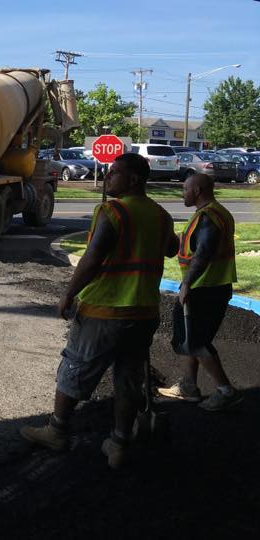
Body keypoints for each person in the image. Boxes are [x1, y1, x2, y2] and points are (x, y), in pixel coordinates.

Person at [20, 153, 178, 469]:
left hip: (105, 310)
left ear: (133, 179)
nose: (107, 177)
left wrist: (68, 294)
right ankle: (119, 443)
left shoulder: (112, 212)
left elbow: (92, 259)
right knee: (129, 378)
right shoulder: (160, 215)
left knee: (76, 368)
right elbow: (172, 249)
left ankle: (58, 431)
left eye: (114, 172)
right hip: (144, 313)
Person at [157, 173, 241, 410]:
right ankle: (188, 387)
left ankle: (226, 391)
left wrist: (187, 284)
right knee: (188, 337)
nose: (182, 193)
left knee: (197, 340)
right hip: (209, 286)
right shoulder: (213, 213)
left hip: (204, 288)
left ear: (198, 190)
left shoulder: (208, 217)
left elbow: (203, 252)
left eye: (185, 189)